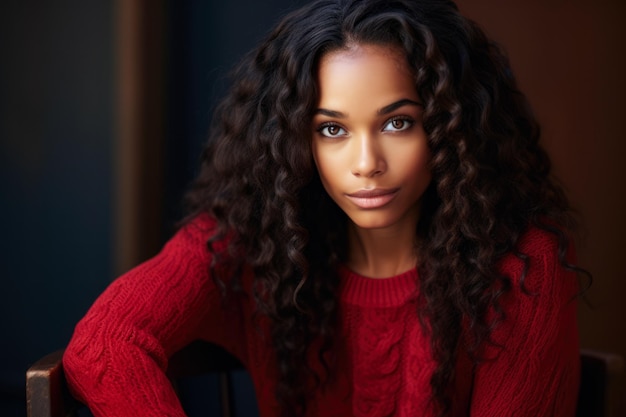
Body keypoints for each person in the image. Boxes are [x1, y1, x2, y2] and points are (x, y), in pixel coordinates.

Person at [62, 0, 587, 416]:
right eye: (332, 129)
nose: (366, 163)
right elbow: (105, 344)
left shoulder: (521, 270)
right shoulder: (250, 240)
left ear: (453, 128)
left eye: (397, 123)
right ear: (296, 140)